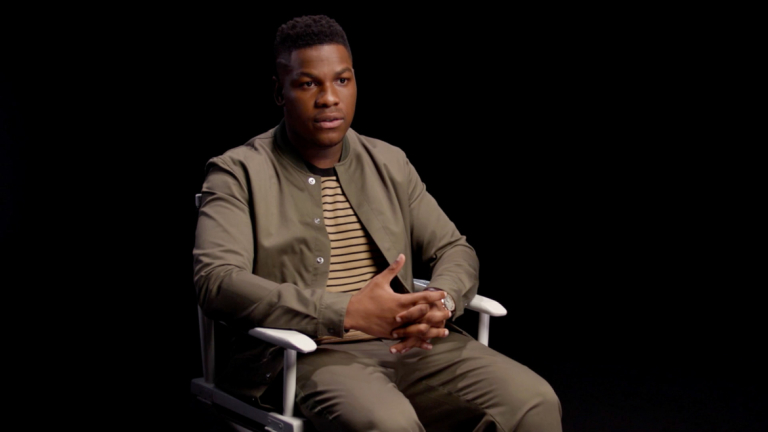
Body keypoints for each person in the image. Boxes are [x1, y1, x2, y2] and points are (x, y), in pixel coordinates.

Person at [193, 14, 561, 432]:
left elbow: (453, 248)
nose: (329, 97)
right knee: (389, 424)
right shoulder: (238, 171)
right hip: (313, 353)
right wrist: (345, 311)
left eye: (342, 80)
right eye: (308, 83)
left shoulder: (389, 162)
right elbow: (217, 281)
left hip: (413, 343)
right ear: (279, 91)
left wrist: (443, 302)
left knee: (534, 401)